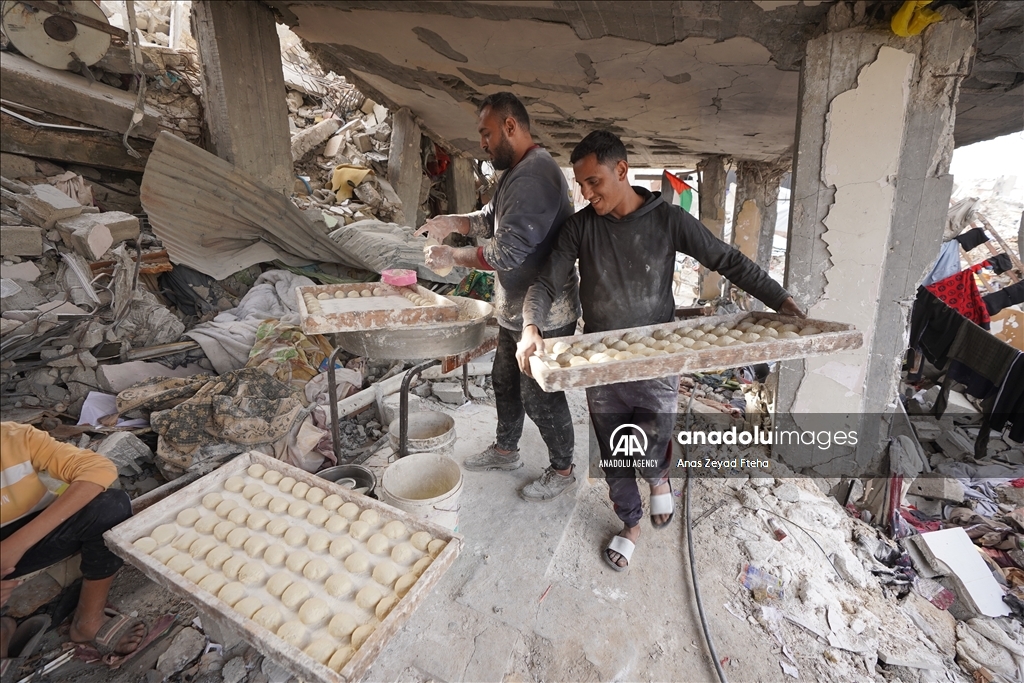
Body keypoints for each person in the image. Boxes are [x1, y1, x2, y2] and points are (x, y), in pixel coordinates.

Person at [517, 131, 805, 571]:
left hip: (659, 357)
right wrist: (530, 326)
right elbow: (546, 281)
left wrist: (780, 300)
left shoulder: (667, 220)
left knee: (652, 440)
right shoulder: (580, 228)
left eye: (594, 181)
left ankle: (658, 479)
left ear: (622, 170)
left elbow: (726, 260)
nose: (587, 193)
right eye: (581, 185)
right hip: (602, 361)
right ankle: (629, 523)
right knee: (615, 449)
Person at [416, 92, 582, 502]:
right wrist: (452, 222)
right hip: (514, 306)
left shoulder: (536, 175)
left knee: (539, 393)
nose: (483, 144)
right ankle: (506, 451)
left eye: (486, 134)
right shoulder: (514, 172)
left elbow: (506, 251)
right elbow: (490, 219)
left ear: (511, 126)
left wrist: (451, 255)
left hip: (546, 310)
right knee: (504, 381)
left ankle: (563, 470)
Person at [1, 422, 146, 669]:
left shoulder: (14, 437)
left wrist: (17, 544)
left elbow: (98, 469)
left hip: (34, 532)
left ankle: (88, 621)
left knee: (110, 507)